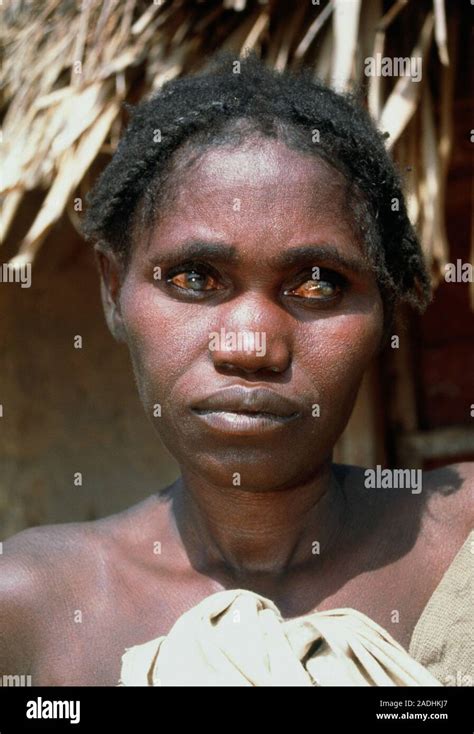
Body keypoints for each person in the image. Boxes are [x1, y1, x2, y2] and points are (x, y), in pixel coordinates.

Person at [1, 53, 472, 687]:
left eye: (317, 285)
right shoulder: (32, 606)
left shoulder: (463, 553)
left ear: (386, 309)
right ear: (114, 292)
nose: (251, 347)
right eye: (195, 278)